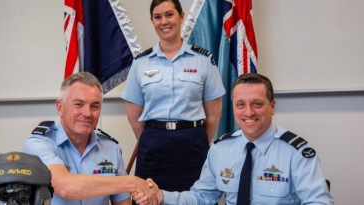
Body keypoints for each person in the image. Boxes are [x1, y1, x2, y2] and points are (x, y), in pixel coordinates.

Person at [133, 73, 334, 205]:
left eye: (257, 103)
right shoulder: (221, 148)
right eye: (240, 104)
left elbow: (319, 202)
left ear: (272, 106)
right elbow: (201, 197)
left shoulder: (296, 152)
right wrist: (161, 196)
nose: (248, 112)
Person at [121, 0, 225, 194]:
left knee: (196, 198)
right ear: (152, 21)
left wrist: (197, 141)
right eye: (157, 17)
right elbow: (134, 118)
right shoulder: (141, 63)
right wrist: (152, 140)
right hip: (152, 145)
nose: (164, 22)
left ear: (182, 16)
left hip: (192, 144)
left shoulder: (203, 60)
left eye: (169, 15)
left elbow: (213, 116)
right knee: (148, 197)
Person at [23, 72, 159, 205]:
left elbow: (122, 202)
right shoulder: (39, 144)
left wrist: (144, 198)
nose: (87, 113)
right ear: (60, 107)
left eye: (94, 106)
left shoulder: (111, 148)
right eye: (78, 104)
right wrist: (133, 183)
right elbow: (66, 187)